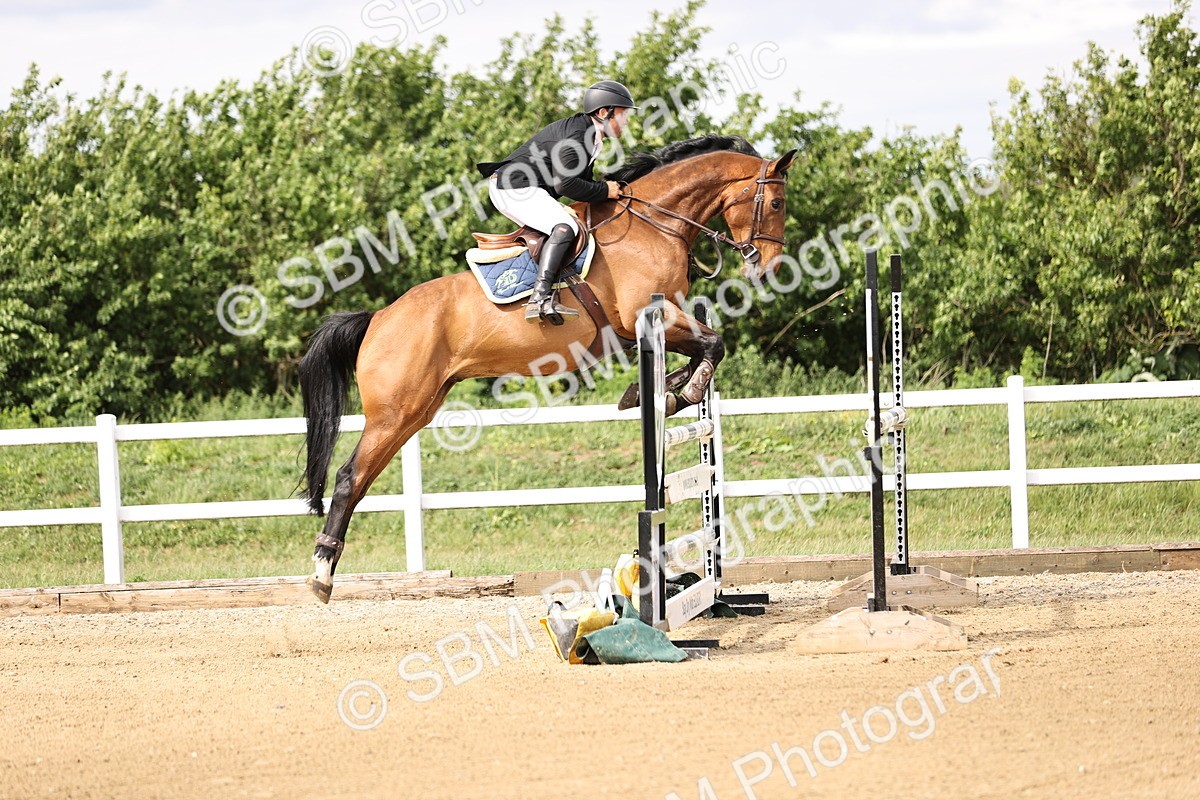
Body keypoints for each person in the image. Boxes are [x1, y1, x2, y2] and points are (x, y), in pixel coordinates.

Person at [477, 80, 637, 325]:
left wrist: (606, 188)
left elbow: (582, 182)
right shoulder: (579, 135)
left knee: (573, 221)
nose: (626, 121)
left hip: (527, 187)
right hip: (514, 187)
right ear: (604, 112)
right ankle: (540, 298)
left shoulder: (592, 136)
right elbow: (566, 186)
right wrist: (605, 190)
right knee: (565, 227)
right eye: (623, 114)